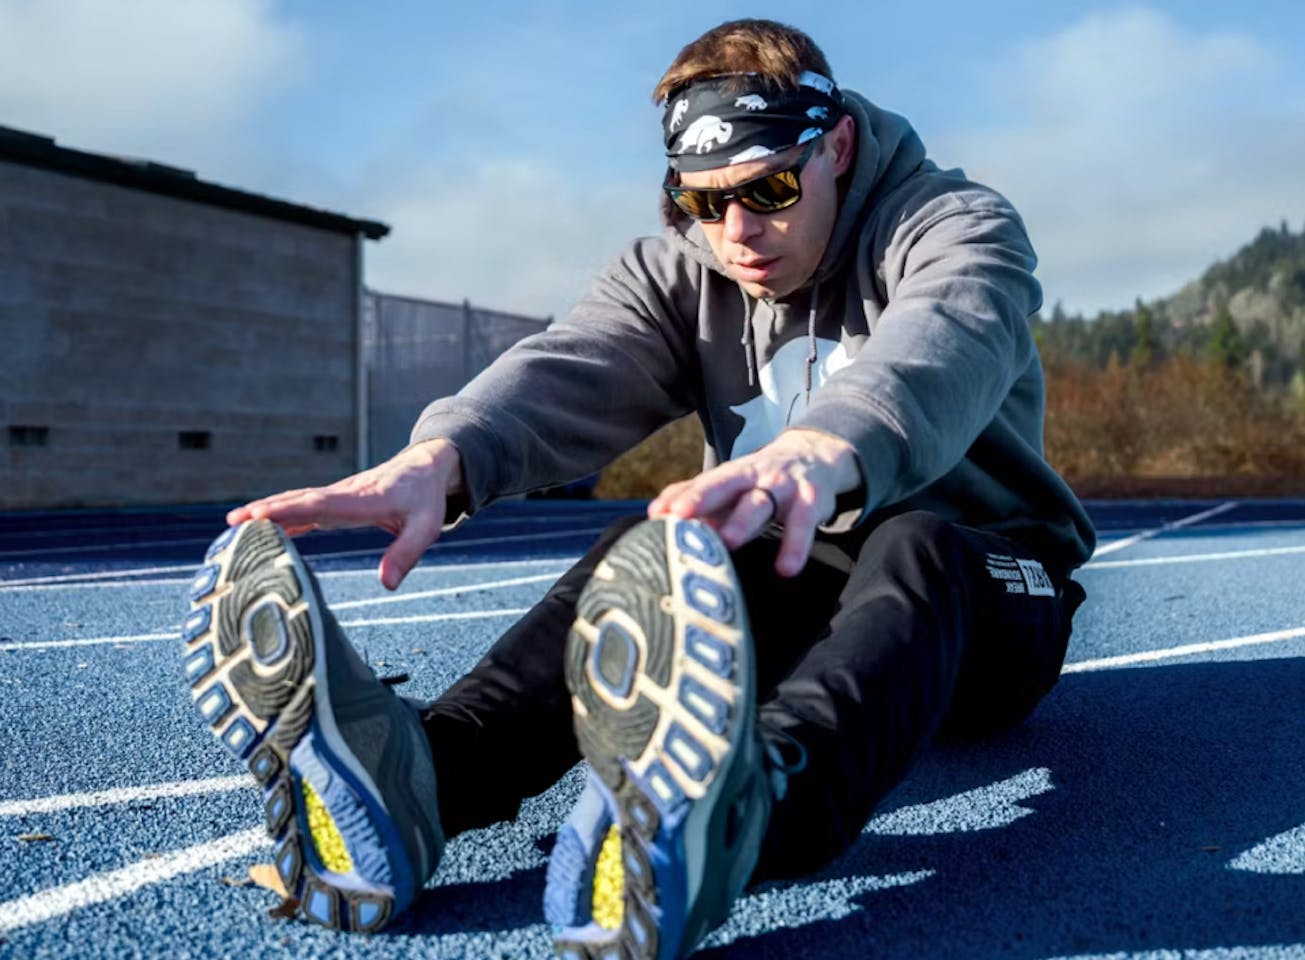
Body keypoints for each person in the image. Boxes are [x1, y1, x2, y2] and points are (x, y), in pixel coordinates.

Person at [180, 18, 1095, 959]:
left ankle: (749, 810)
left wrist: (825, 445)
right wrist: (443, 458)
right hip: (808, 580)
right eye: (703, 201)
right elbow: (573, 366)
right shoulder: (681, 272)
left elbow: (947, 335)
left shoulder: (952, 224)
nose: (738, 232)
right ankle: (423, 778)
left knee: (914, 544)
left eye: (771, 189)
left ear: (837, 146)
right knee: (656, 553)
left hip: (989, 595)